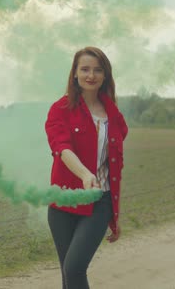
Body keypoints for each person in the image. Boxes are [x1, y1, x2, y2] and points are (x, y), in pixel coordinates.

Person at [45, 46, 128, 289]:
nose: (91, 75)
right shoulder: (60, 110)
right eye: (85, 69)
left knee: (74, 267)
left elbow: (115, 170)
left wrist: (114, 213)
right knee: (68, 274)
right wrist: (84, 173)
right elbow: (61, 148)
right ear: (75, 74)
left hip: (98, 202)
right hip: (64, 201)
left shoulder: (115, 117)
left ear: (105, 76)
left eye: (97, 70)